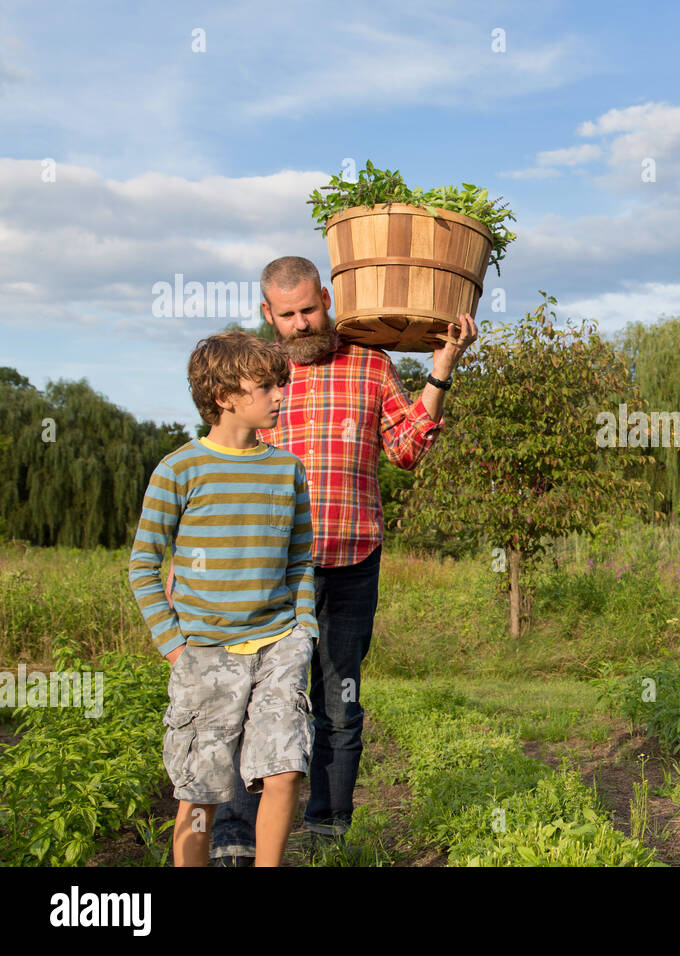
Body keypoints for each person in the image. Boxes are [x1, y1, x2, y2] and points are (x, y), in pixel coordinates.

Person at [204, 255, 476, 864]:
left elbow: (406, 450)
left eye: (310, 309)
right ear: (267, 314)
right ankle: (234, 837)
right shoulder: (258, 377)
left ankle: (327, 831)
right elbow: (225, 458)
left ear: (327, 298)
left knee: (339, 702)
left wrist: (441, 370)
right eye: (288, 315)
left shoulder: (370, 364)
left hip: (351, 562)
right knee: (248, 702)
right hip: (270, 571)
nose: (302, 324)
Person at [128, 330, 318, 867]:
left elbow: (301, 558)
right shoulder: (179, 470)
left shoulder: (287, 470)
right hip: (204, 654)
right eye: (266, 386)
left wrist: (303, 629)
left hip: (278, 645)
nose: (280, 395)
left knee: (284, 769)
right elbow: (143, 566)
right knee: (200, 793)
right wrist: (174, 648)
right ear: (224, 396)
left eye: (280, 384)